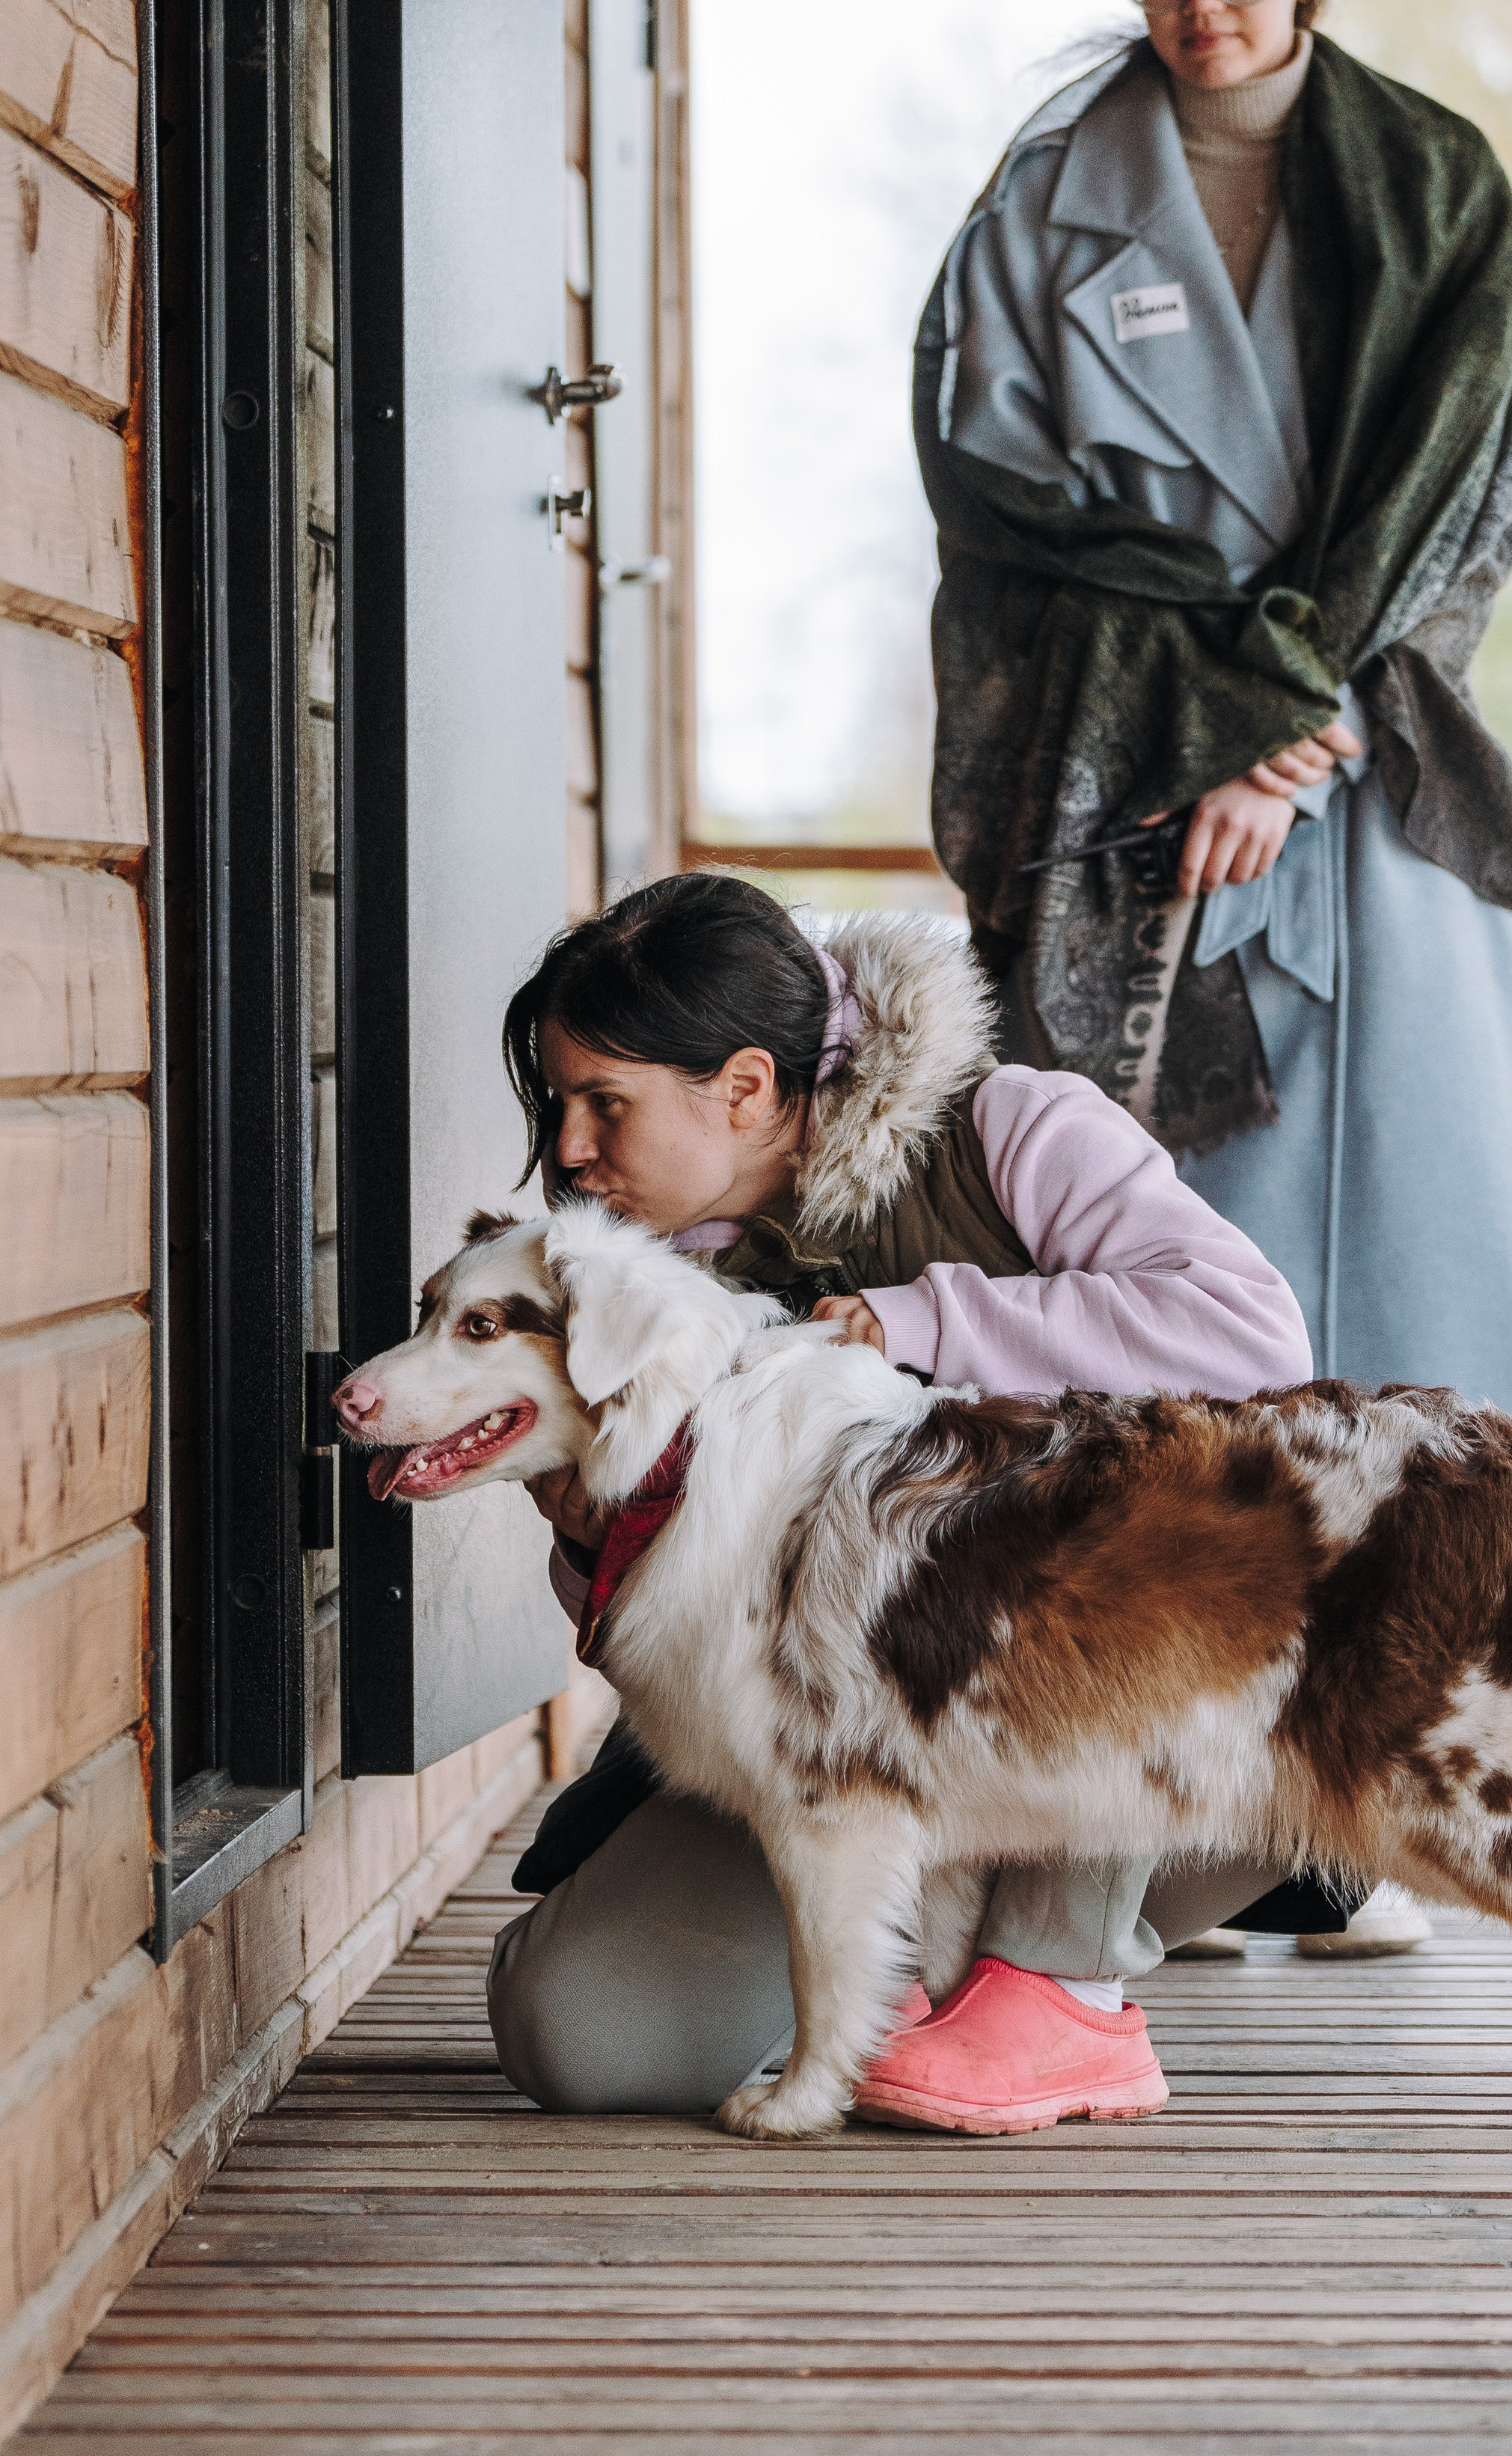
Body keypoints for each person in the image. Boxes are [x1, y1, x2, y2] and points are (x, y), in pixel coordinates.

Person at [922, 0, 1512, 1436]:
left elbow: (1455, 510)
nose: (1196, 6)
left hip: (1373, 783)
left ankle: (1476, 1575)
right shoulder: (1039, 206)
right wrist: (1208, 722)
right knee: (1156, 1313)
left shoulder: (1438, 188)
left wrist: (1287, 733)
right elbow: (1001, 530)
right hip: (1137, 792)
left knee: (1434, 1264)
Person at [486, 871, 1323, 2133]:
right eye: (560, 1105)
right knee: (577, 2030)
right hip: (825, 1752)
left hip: (1116, 1695)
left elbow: (1254, 1341)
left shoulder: (1016, 1126)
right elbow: (646, 1638)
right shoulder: (633, 1291)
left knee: (1136, 1523)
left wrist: (924, 1323)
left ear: (747, 1086)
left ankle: (1061, 1966)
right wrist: (592, 1537)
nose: (568, 1149)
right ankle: (965, 1954)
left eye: (606, 1102)